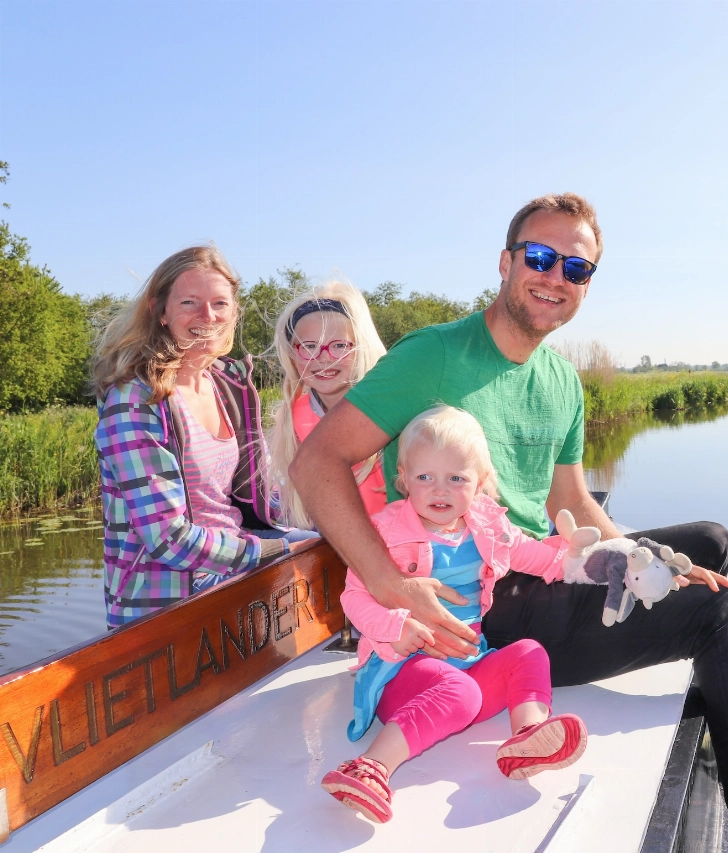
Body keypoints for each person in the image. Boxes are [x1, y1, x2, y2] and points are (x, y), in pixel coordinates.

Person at [292, 194, 728, 852]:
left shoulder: (561, 380)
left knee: (709, 544)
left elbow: (574, 503)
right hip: (484, 599)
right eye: (539, 257)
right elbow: (316, 463)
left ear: (586, 285)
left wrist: (641, 563)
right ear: (506, 263)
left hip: (536, 562)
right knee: (721, 613)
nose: (555, 276)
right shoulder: (433, 356)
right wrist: (389, 583)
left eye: (576, 267)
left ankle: (718, 701)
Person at [321, 405, 589, 824]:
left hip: (467, 665)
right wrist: (395, 627)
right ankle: (370, 767)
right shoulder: (384, 532)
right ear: (403, 478)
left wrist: (580, 560)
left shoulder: (487, 526)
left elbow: (536, 557)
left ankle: (527, 737)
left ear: (480, 482)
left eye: (456, 479)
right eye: (424, 477)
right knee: (459, 693)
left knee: (529, 652)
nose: (439, 491)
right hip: (402, 670)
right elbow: (354, 597)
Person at [92, 245, 310, 628]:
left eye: (219, 304)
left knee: (337, 541)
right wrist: (274, 549)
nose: (208, 316)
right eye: (190, 302)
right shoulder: (135, 401)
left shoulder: (227, 384)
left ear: (234, 311)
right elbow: (168, 539)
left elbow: (262, 493)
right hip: (166, 604)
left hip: (233, 569)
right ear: (160, 311)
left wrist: (322, 519)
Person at [267, 281, 388, 529]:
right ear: (292, 354)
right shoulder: (294, 419)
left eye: (339, 346)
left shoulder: (390, 413)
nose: (323, 358)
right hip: (332, 541)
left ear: (361, 348)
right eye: (309, 346)